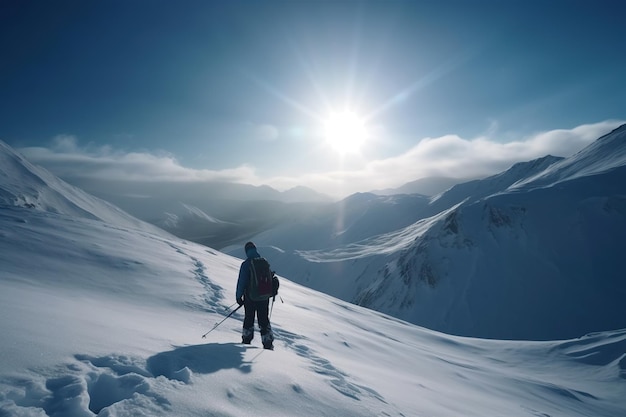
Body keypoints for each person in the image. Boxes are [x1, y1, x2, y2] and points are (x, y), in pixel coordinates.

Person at [236, 241, 274, 349]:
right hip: (264, 296)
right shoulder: (263, 262)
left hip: (250, 297)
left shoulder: (246, 264)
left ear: (247, 251)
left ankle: (246, 340)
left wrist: (238, 297)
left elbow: (241, 282)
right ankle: (268, 343)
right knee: (263, 319)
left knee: (249, 318)